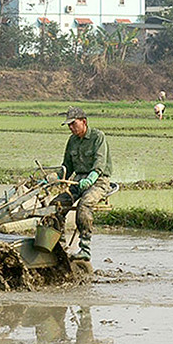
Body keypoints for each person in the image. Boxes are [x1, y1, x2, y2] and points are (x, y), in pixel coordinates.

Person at [50, 107, 113, 261]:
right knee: (55, 206)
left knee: (84, 205)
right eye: (69, 125)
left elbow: (100, 163)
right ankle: (60, 246)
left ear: (83, 122)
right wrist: (51, 178)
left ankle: (85, 248)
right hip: (78, 181)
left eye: (73, 124)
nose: (71, 128)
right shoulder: (72, 141)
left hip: (98, 181)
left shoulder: (98, 137)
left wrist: (91, 178)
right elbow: (66, 167)